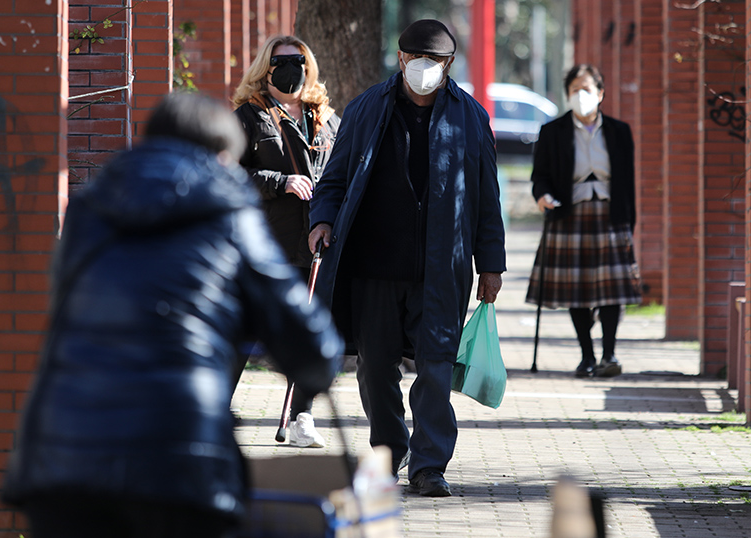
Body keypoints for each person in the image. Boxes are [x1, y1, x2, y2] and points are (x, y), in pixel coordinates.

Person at [1, 92, 342, 538]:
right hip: (177, 462)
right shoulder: (228, 209)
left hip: (60, 459)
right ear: (222, 157)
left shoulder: (92, 207)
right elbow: (310, 345)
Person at [307, 19, 506, 497]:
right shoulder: (367, 109)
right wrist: (321, 219)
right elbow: (334, 178)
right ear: (399, 59)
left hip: (442, 269)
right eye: (414, 58)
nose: (422, 67)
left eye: (433, 61)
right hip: (374, 266)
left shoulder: (470, 116)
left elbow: (486, 197)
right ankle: (388, 454)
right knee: (376, 370)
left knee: (435, 367)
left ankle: (430, 465)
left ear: (448, 64)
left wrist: (491, 263)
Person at [231, 35, 340, 448]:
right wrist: (279, 181)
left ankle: (302, 416)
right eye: (281, 61)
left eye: (299, 60)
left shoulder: (327, 119)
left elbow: (340, 175)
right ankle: (211, 413)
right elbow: (229, 175)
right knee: (244, 329)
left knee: (308, 331)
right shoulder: (247, 117)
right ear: (266, 67)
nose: (291, 67)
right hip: (267, 244)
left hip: (315, 246)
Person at [525, 64, 642, 379]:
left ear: (600, 93)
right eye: (575, 90)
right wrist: (543, 196)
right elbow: (540, 177)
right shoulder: (552, 132)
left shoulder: (619, 131)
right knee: (576, 290)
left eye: (587, 89)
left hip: (610, 216)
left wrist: (629, 223)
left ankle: (610, 354)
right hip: (569, 215)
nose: (581, 95)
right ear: (567, 95)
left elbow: (628, 182)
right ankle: (587, 356)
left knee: (611, 290)